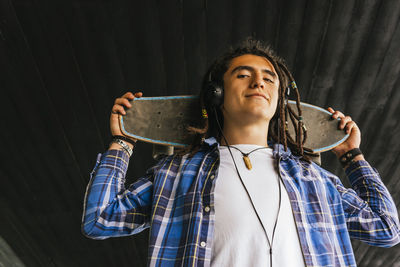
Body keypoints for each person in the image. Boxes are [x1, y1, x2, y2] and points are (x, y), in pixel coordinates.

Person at [81, 39, 400, 267]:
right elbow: (99, 219)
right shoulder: (176, 174)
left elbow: (387, 229)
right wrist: (121, 144)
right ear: (216, 94)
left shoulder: (316, 180)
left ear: (279, 98)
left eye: (269, 78)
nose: (259, 81)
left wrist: (353, 157)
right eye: (244, 74)